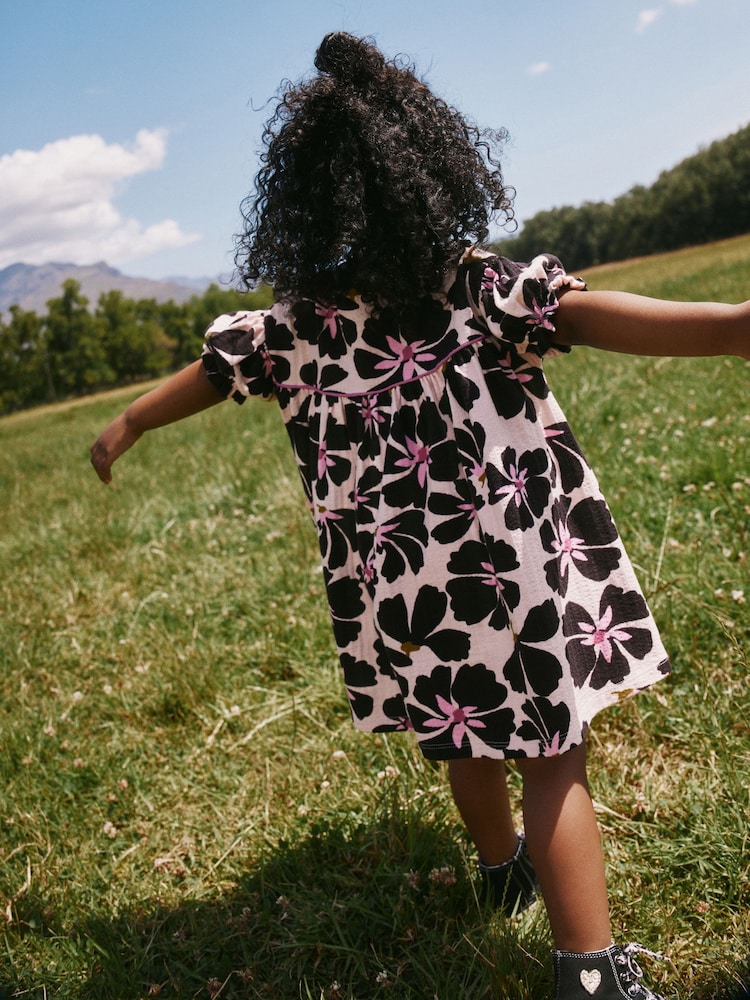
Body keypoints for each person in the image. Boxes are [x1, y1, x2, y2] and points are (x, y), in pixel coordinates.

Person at [90, 32, 749, 1000]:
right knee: (552, 752)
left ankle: (500, 870)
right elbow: (600, 313)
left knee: (459, 727)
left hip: (400, 591)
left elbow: (210, 373)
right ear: (431, 168)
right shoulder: (474, 290)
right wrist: (736, 327)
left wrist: (129, 421)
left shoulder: (294, 329)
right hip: (508, 573)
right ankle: (591, 974)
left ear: (303, 200)